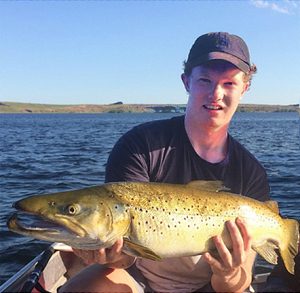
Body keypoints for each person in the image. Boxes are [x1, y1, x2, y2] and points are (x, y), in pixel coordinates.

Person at [60, 32, 270, 292]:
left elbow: (237, 284)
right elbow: (125, 256)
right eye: (205, 80)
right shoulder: (139, 145)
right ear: (186, 82)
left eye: (229, 84)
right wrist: (112, 254)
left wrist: (229, 275)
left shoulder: (251, 173)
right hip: (139, 279)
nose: (216, 93)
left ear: (245, 88)